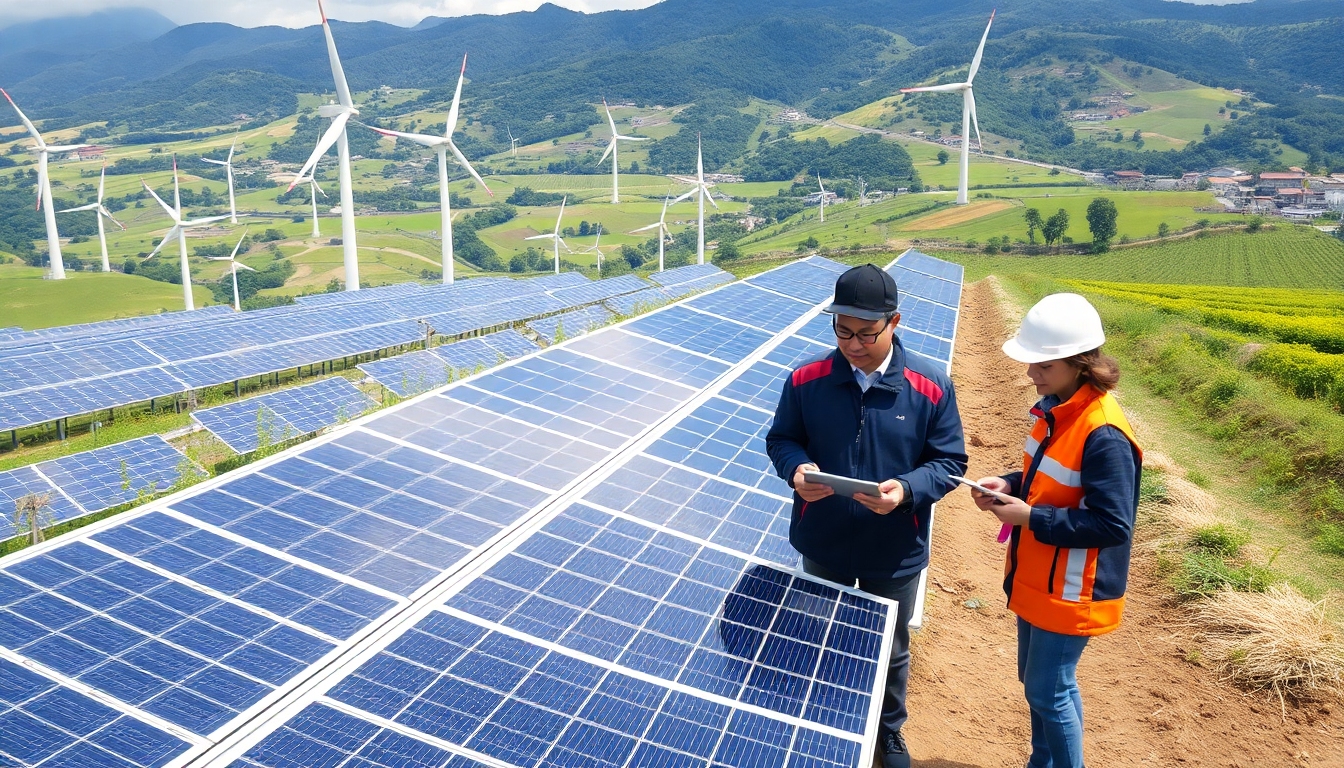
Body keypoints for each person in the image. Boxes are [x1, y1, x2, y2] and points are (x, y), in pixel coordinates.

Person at [766, 263, 967, 768]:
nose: (853, 344)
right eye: (842, 331)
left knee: (890, 647)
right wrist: (796, 470)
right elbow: (782, 439)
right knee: (822, 633)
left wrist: (906, 490)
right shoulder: (806, 378)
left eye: (866, 333)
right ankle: (827, 725)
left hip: (893, 545)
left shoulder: (930, 385)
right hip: (824, 538)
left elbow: (949, 463)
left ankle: (887, 733)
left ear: (894, 322)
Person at [969, 293, 1142, 768]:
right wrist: (1007, 484)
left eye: (1042, 365)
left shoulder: (1103, 433)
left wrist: (1030, 518)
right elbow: (1045, 479)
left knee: (1050, 688)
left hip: (1072, 586)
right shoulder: (1056, 410)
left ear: (1079, 362)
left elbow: (1112, 524)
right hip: (1041, 573)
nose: (1032, 374)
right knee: (1041, 685)